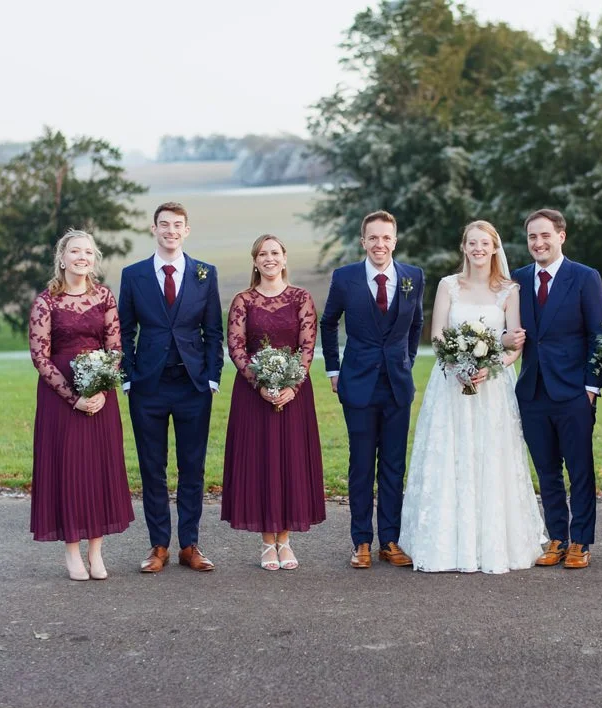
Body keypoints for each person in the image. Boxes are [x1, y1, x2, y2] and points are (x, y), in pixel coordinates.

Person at [401, 221, 545, 573]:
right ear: (463, 248)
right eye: (472, 243)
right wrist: (458, 364)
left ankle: (492, 545)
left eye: (485, 243)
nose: (478, 248)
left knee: (491, 458)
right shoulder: (448, 285)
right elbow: (436, 337)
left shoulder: (509, 290)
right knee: (451, 455)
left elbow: (515, 345)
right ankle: (446, 545)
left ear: (495, 248)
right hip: (451, 383)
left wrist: (489, 361)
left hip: (493, 386)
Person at [118, 202, 224, 573]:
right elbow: (124, 332)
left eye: (178, 225)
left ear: (187, 230)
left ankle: (190, 545)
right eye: (164, 225)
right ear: (154, 229)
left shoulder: (204, 274)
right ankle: (158, 545)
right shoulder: (133, 276)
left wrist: (212, 376)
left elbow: (213, 332)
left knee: (192, 467)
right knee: (152, 467)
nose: (171, 231)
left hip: (193, 385)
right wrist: (128, 377)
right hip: (148, 386)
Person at [319, 210, 425, 569]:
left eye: (386, 238)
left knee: (394, 465)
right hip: (358, 384)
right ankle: (361, 542)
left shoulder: (413, 276)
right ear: (363, 242)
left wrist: (407, 360)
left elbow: (417, 323)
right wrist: (333, 368)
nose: (380, 244)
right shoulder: (345, 277)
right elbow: (329, 321)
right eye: (373, 238)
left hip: (397, 383)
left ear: (395, 241)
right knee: (362, 464)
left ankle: (390, 541)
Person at [28, 229, 134, 580]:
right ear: (62, 259)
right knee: (68, 470)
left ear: (94, 259)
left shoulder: (104, 296)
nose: (82, 257)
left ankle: (96, 552)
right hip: (61, 400)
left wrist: (101, 387)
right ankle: (72, 552)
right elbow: (40, 357)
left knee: (98, 469)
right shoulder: (46, 302)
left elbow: (115, 348)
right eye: (75, 251)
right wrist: (74, 397)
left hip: (101, 397)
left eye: (88, 252)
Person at [221, 234, 325, 570]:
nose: (269, 259)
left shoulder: (301, 298)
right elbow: (236, 347)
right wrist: (260, 383)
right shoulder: (243, 301)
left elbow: (307, 348)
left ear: (284, 258)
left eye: (275, 253)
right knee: (262, 463)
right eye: (262, 254)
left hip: (295, 393)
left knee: (289, 462)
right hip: (254, 396)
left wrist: (292, 384)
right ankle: (267, 542)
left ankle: (286, 540)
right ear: (255, 261)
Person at [511, 209, 602, 569]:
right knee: (547, 470)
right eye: (532, 237)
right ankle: (557, 537)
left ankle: (581, 540)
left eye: (544, 236)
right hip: (533, 390)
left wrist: (592, 386)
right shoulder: (518, 279)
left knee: (580, 469)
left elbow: (598, 335)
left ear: (561, 236)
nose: (538, 243)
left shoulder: (584, 277)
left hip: (573, 391)